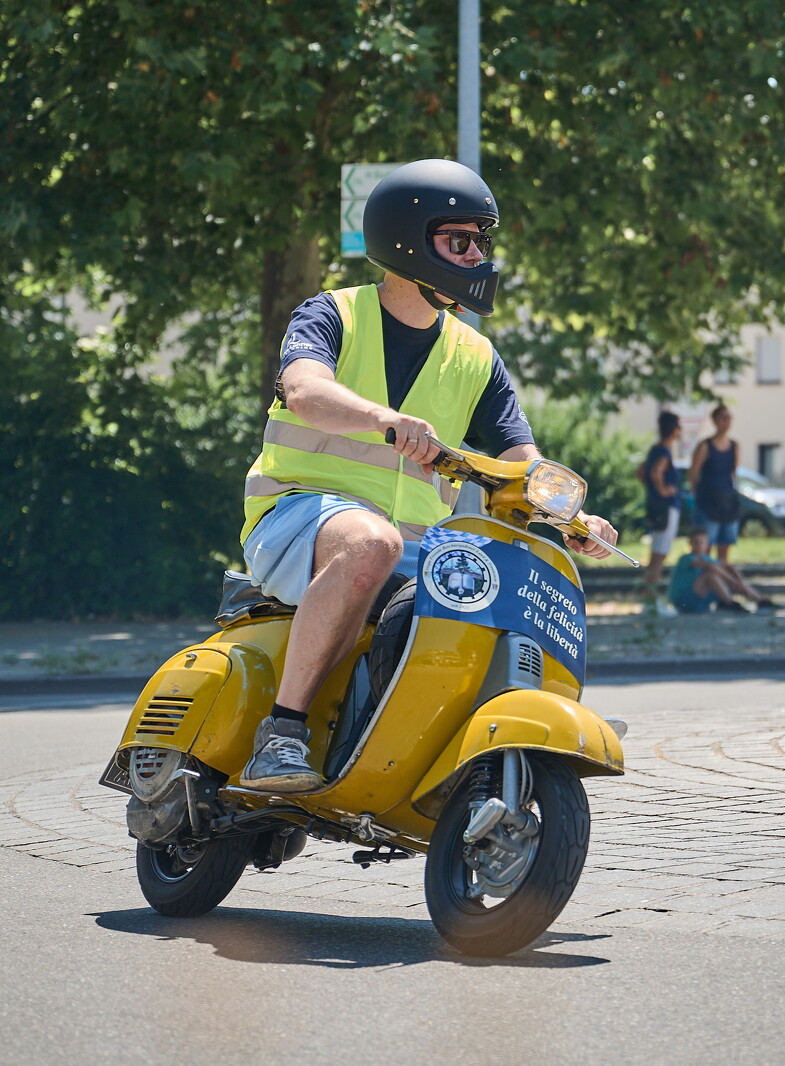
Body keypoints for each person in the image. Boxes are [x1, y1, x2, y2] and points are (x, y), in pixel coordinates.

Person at [236, 158, 618, 792]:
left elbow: (522, 464)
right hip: (295, 519)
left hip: (412, 551)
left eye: (481, 243)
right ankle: (282, 733)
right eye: (458, 241)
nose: (475, 257)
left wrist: (572, 518)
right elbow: (304, 391)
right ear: (407, 241)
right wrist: (386, 419)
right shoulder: (333, 314)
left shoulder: (474, 356)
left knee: (490, 586)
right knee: (371, 542)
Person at [668, 528, 773, 614]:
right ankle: (729, 603)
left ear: (707, 543)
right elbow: (710, 566)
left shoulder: (706, 558)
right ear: (690, 543)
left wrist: (739, 580)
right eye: (696, 543)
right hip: (685, 600)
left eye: (702, 543)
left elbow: (727, 565)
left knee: (726, 568)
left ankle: (759, 600)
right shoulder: (686, 558)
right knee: (710, 574)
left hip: (701, 597)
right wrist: (732, 581)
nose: (699, 545)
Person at [688, 404, 744, 566]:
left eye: (729, 418)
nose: (726, 422)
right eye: (723, 418)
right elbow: (693, 473)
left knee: (725, 546)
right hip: (708, 502)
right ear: (715, 420)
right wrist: (698, 495)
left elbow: (734, 472)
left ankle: (720, 582)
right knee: (704, 546)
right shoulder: (705, 446)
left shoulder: (734, 446)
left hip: (727, 501)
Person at [640, 410, 682, 615]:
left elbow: (641, 471)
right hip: (666, 508)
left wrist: (652, 489)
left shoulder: (655, 449)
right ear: (674, 430)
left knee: (656, 554)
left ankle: (650, 598)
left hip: (655, 506)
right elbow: (656, 472)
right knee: (659, 555)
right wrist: (664, 490)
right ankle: (651, 600)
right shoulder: (664, 452)